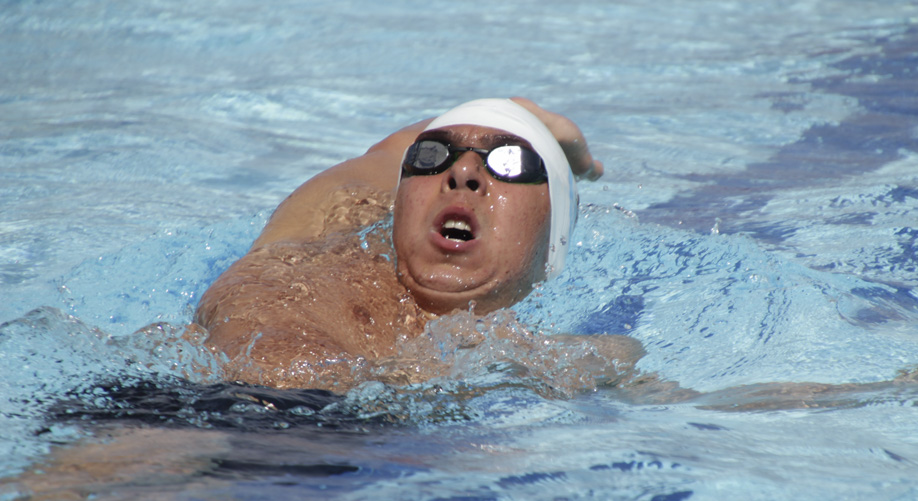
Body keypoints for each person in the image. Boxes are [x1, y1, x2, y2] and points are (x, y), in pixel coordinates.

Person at [195, 98, 624, 392]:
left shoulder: (555, 357)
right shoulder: (329, 220)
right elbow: (394, 149)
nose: (463, 174)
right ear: (400, 203)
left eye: (510, 162)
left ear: (556, 234)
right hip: (177, 401)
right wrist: (513, 110)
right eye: (434, 156)